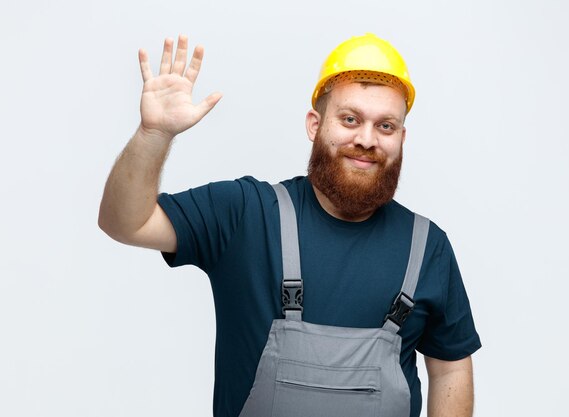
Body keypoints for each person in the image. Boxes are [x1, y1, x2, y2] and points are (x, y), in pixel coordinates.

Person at [99, 33, 481, 417]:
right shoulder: (245, 213)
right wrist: (154, 135)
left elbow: (450, 368)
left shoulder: (427, 246)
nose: (366, 139)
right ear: (315, 124)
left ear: (401, 136)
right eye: (350, 119)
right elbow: (125, 223)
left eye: (385, 126)